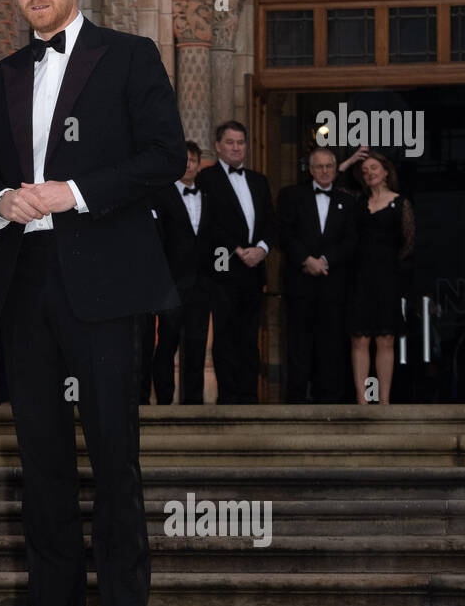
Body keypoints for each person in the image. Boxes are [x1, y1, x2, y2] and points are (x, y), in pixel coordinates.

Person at [0, 0, 185, 606]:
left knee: (115, 457)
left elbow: (162, 159)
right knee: (41, 465)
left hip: (109, 289)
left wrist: (74, 193)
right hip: (26, 292)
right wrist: (2, 201)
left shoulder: (130, 57)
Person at [196, 121, 275, 404]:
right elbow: (208, 223)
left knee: (250, 336)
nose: (236, 147)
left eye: (240, 142)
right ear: (218, 145)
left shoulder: (259, 180)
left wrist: (262, 249)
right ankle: (229, 398)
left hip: (254, 271)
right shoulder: (206, 179)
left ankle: (249, 397)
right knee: (226, 335)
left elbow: (269, 220)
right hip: (223, 270)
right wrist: (238, 249)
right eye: (230, 142)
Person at [276, 147, 358, 401]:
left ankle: (329, 400)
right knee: (298, 343)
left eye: (329, 166)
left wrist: (325, 260)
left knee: (331, 344)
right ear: (310, 170)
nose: (324, 171)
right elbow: (284, 233)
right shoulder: (291, 196)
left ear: (336, 169)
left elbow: (352, 240)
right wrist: (306, 260)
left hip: (333, 285)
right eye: (319, 167)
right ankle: (297, 400)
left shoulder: (349, 201)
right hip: (300, 283)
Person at [342, 150, 415, 404]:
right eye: (364, 171)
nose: (369, 173)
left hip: (387, 279)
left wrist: (388, 264)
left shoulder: (400, 202)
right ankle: (362, 401)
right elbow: (331, 187)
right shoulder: (356, 201)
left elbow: (408, 244)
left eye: (374, 168)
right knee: (360, 339)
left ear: (385, 172)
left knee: (385, 339)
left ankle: (384, 402)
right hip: (359, 277)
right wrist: (349, 162)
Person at [148, 141, 214, 404]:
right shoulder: (161, 195)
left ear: (199, 165)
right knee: (167, 343)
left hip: (201, 284)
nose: (189, 165)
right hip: (171, 285)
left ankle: (194, 402)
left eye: (193, 160)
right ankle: (164, 401)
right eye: (184, 160)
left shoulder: (208, 195)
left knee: (197, 345)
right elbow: (159, 240)